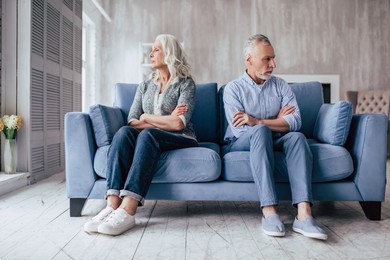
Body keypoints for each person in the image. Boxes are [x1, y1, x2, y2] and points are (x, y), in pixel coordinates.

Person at [84, 34, 198, 236]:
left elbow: (178, 123)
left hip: (182, 138)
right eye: (151, 49)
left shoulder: (186, 84)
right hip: (154, 133)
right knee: (124, 132)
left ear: (169, 53)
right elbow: (132, 120)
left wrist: (147, 118)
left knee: (148, 135)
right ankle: (112, 204)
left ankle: (128, 209)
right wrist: (156, 119)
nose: (150, 53)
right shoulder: (145, 85)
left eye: (156, 49)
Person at [223, 34, 327, 240]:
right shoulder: (233, 89)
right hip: (240, 144)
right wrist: (277, 122)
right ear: (249, 59)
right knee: (259, 132)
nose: (273, 64)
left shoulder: (281, 85)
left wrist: (258, 121)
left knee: (296, 137)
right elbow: (242, 131)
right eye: (266, 59)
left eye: (273, 58)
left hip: (270, 137)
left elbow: (295, 121)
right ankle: (269, 211)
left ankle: (304, 215)